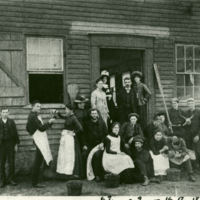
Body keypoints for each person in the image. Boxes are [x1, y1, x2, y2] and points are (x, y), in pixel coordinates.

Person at [26, 100, 55, 188]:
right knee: (38, 161)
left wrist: (32, 133)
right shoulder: (32, 116)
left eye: (40, 106)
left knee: (41, 158)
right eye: (38, 106)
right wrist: (49, 122)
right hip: (39, 140)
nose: (40, 108)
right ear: (33, 107)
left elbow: (27, 127)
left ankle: (41, 178)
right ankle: (35, 182)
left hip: (40, 139)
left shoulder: (34, 115)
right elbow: (41, 128)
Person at [55, 104, 83, 180]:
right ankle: (64, 173)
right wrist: (57, 112)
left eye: (67, 109)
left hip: (69, 139)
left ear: (71, 110)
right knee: (64, 155)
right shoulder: (69, 116)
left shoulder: (73, 118)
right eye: (65, 109)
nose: (65, 110)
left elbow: (80, 128)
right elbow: (63, 117)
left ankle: (69, 173)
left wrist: (74, 133)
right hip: (65, 137)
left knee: (69, 156)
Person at [82, 108, 108, 182]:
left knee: (97, 155)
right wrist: (84, 144)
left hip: (99, 145)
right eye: (92, 113)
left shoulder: (102, 123)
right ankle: (86, 174)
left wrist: (102, 142)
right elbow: (83, 135)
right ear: (90, 114)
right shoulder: (87, 123)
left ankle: (97, 175)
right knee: (84, 154)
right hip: (89, 144)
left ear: (97, 114)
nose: (94, 115)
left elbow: (105, 135)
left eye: (95, 113)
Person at [0, 106, 20, 188]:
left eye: (6, 112)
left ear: (8, 113)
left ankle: (11, 179)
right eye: (3, 112)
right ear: (0, 113)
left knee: (11, 162)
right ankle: (2, 180)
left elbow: (15, 133)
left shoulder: (11, 122)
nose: (5, 114)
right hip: (1, 144)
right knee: (1, 163)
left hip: (11, 143)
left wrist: (16, 144)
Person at [184, 98, 200, 170]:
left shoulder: (198, 112)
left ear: (194, 104)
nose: (190, 105)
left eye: (192, 103)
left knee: (198, 150)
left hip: (197, 134)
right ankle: (193, 167)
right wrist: (188, 123)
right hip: (188, 135)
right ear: (187, 105)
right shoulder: (186, 113)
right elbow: (183, 125)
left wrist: (198, 135)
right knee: (190, 151)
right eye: (189, 104)